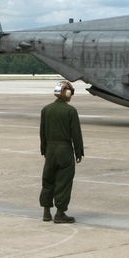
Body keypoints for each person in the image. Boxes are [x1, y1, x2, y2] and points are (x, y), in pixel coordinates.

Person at [39, 80, 84, 223]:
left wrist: (44, 150)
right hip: (64, 150)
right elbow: (76, 134)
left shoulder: (46, 109)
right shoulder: (71, 111)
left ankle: (46, 212)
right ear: (66, 93)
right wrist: (79, 152)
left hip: (50, 150)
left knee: (48, 180)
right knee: (63, 182)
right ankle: (60, 213)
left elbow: (42, 133)